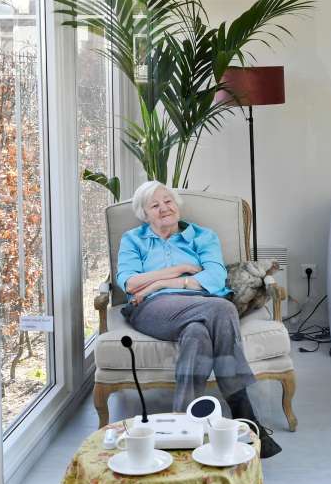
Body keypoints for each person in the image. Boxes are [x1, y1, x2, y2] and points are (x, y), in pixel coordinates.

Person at [116, 180, 281, 458]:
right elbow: (130, 283)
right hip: (153, 309)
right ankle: (243, 414)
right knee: (223, 309)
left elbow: (215, 278)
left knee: (198, 335)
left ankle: (181, 426)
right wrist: (178, 269)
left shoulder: (202, 236)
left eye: (168, 201)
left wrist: (155, 282)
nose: (164, 208)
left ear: (176, 204)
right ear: (145, 214)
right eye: (154, 205)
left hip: (199, 305)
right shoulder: (133, 240)